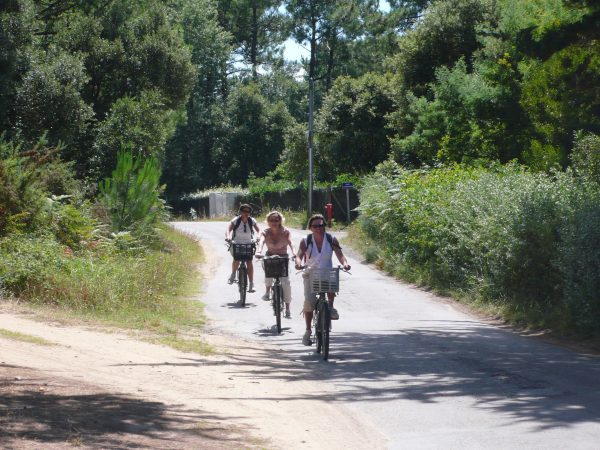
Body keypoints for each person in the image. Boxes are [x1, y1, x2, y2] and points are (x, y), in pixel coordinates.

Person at [295, 214, 351, 346]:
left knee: (332, 277)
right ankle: (308, 331)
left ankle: (330, 307)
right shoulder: (306, 240)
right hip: (310, 273)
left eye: (321, 225)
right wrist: (298, 263)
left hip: (326, 272)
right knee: (309, 302)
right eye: (315, 226)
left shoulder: (331, 239)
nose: (319, 228)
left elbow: (340, 255)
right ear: (310, 228)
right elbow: (299, 256)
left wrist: (345, 264)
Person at [255, 211, 296, 319]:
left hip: (283, 258)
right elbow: (261, 242)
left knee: (286, 283)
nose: (274, 222)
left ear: (280, 221)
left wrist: (295, 253)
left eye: (276, 220)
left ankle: (287, 308)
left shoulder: (286, 232)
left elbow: (291, 243)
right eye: (271, 220)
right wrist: (259, 251)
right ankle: (267, 292)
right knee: (268, 275)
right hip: (270, 257)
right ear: (268, 221)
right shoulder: (265, 232)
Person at [225, 204, 260, 292]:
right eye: (244, 211)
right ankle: (233, 274)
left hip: (248, 244)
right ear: (240, 212)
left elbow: (259, 230)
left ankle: (251, 284)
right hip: (237, 243)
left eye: (248, 211)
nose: (246, 213)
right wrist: (228, 236)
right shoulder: (236, 220)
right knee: (236, 259)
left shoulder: (251, 220)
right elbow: (228, 228)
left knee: (249, 262)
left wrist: (258, 236)